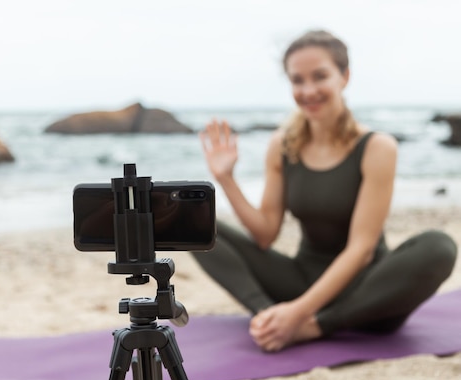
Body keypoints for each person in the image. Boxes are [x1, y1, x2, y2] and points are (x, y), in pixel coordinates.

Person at [193, 29, 458, 352]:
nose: (308, 90)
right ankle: (267, 318)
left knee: (439, 246)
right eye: (297, 80)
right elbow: (265, 234)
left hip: (367, 295)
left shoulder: (377, 147)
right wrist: (226, 179)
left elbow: (361, 250)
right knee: (195, 223)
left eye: (320, 76)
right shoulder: (282, 145)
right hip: (300, 280)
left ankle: (314, 326)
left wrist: (300, 313)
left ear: (344, 77)